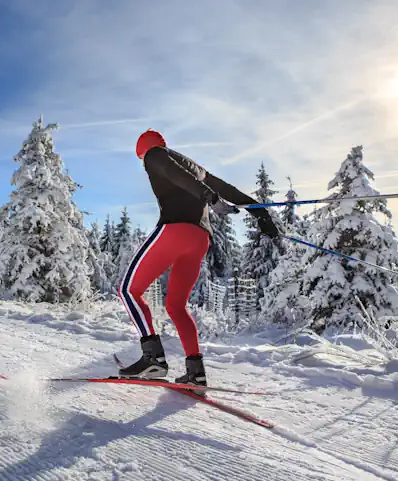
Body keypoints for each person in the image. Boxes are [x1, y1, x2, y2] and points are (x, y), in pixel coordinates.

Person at [117, 129, 280, 388]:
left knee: (128, 290)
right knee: (176, 307)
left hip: (175, 230)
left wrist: (210, 198)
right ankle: (196, 371)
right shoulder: (196, 168)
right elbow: (230, 190)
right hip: (200, 239)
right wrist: (262, 215)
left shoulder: (154, 155)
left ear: (143, 151)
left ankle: (153, 357)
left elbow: (173, 174)